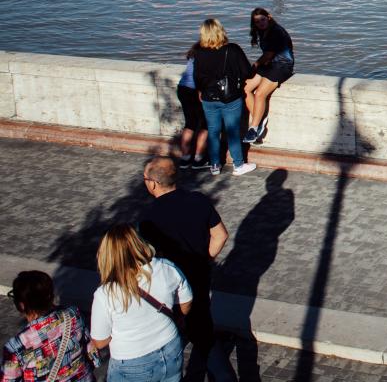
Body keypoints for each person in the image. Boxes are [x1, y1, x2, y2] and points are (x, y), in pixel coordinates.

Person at [140, 157, 232, 381]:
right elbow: (221, 235)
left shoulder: (149, 219)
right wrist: (205, 259)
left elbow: (144, 259)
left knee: (177, 338)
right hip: (198, 279)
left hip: (169, 289)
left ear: (152, 183)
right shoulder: (198, 201)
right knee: (204, 333)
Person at [91, 224, 193, 382]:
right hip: (171, 346)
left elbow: (100, 341)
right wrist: (178, 318)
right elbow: (186, 302)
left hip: (131, 362)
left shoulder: (105, 294)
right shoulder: (165, 266)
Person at [3, 270, 100, 382]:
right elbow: (94, 358)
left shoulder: (16, 347)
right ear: (50, 296)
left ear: (22, 305)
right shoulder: (73, 315)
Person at [192, 19, 257, 177]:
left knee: (213, 131)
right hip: (230, 98)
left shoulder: (199, 52)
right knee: (233, 131)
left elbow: (197, 77)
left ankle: (214, 165)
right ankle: (238, 165)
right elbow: (247, 72)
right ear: (221, 31)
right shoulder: (232, 49)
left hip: (208, 98)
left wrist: (201, 91)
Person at [243, 8, 294, 144]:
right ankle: (259, 121)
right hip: (269, 65)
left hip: (282, 65)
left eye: (263, 19)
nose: (261, 23)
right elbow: (267, 57)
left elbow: (269, 54)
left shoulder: (275, 31)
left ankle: (253, 128)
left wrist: (254, 65)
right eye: (257, 22)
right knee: (245, 88)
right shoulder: (262, 31)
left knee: (260, 93)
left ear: (269, 17)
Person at [176, 46, 208, 171]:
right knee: (206, 124)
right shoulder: (209, 53)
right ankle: (198, 159)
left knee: (190, 124)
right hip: (196, 90)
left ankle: (185, 158)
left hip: (183, 88)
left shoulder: (196, 50)